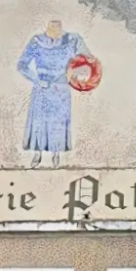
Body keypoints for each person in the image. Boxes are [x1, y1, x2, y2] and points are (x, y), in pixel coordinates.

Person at [16, 20, 92, 168]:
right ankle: (37, 154)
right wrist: (37, 80)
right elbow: (22, 65)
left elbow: (88, 59)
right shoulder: (36, 41)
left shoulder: (72, 40)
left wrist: (76, 72)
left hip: (61, 89)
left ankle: (56, 154)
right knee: (40, 122)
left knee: (58, 123)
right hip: (42, 89)